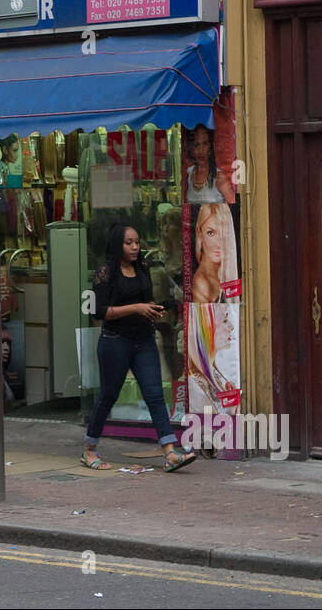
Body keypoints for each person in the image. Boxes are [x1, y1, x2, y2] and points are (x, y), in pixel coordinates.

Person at [83, 222, 194, 473]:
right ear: (117, 244)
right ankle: (89, 449)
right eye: (128, 243)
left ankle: (170, 452)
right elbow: (99, 312)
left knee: (154, 394)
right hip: (115, 341)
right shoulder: (105, 272)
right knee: (108, 396)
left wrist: (155, 308)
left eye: (137, 242)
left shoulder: (142, 267)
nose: (135, 247)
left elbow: (143, 300)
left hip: (144, 339)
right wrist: (136, 309)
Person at [191, 203, 239, 304]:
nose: (218, 243)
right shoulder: (201, 283)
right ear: (200, 234)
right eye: (211, 233)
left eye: (224, 233)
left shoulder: (226, 274)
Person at [185, 124, 234, 204]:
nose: (201, 150)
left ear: (210, 147)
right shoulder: (188, 174)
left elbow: (233, 209)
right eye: (197, 145)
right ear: (192, 149)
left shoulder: (219, 177)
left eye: (205, 144)